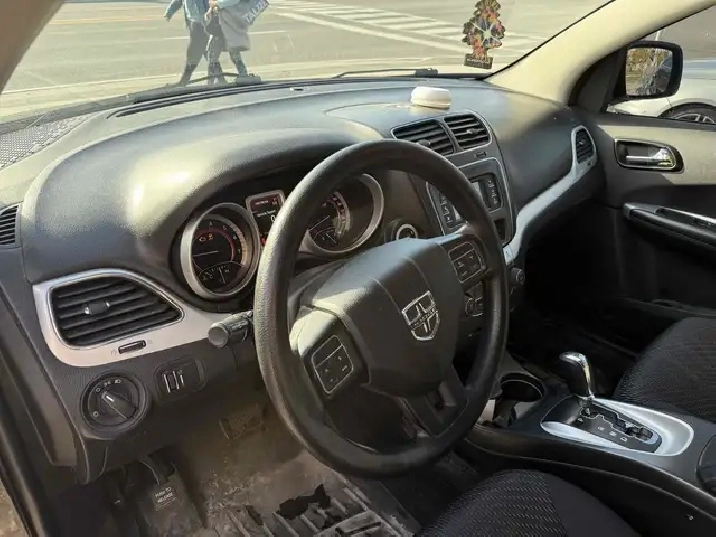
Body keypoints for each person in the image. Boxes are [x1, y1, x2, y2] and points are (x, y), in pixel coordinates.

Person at [208, 0, 267, 79]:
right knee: (215, 52)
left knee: (232, 51)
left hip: (230, 22)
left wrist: (217, 4)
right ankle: (216, 77)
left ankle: (242, 75)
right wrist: (212, 8)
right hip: (222, 22)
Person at [164, 0, 212, 85]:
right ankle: (216, 78)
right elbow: (178, 1)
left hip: (201, 22)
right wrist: (170, 11)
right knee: (207, 52)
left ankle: (184, 81)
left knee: (194, 53)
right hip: (194, 22)